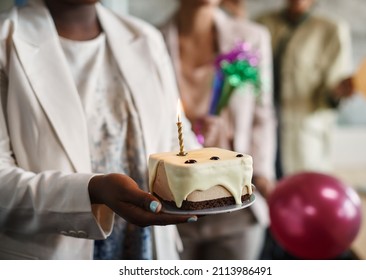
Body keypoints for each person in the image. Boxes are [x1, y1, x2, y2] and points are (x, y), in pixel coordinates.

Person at [0, 0, 200, 260]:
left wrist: (215, 175)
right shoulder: (6, 44)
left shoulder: (146, 38)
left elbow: (176, 139)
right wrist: (92, 191)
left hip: (146, 251)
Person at [159, 0, 276, 259]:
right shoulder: (150, 40)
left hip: (237, 205)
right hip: (177, 206)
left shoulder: (251, 37)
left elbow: (262, 114)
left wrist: (263, 172)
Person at [256, 0, 354, 179]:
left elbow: (330, 92)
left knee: (302, 189)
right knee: (260, 191)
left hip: (303, 132)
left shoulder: (331, 29)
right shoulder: (261, 23)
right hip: (261, 126)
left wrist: (338, 92)